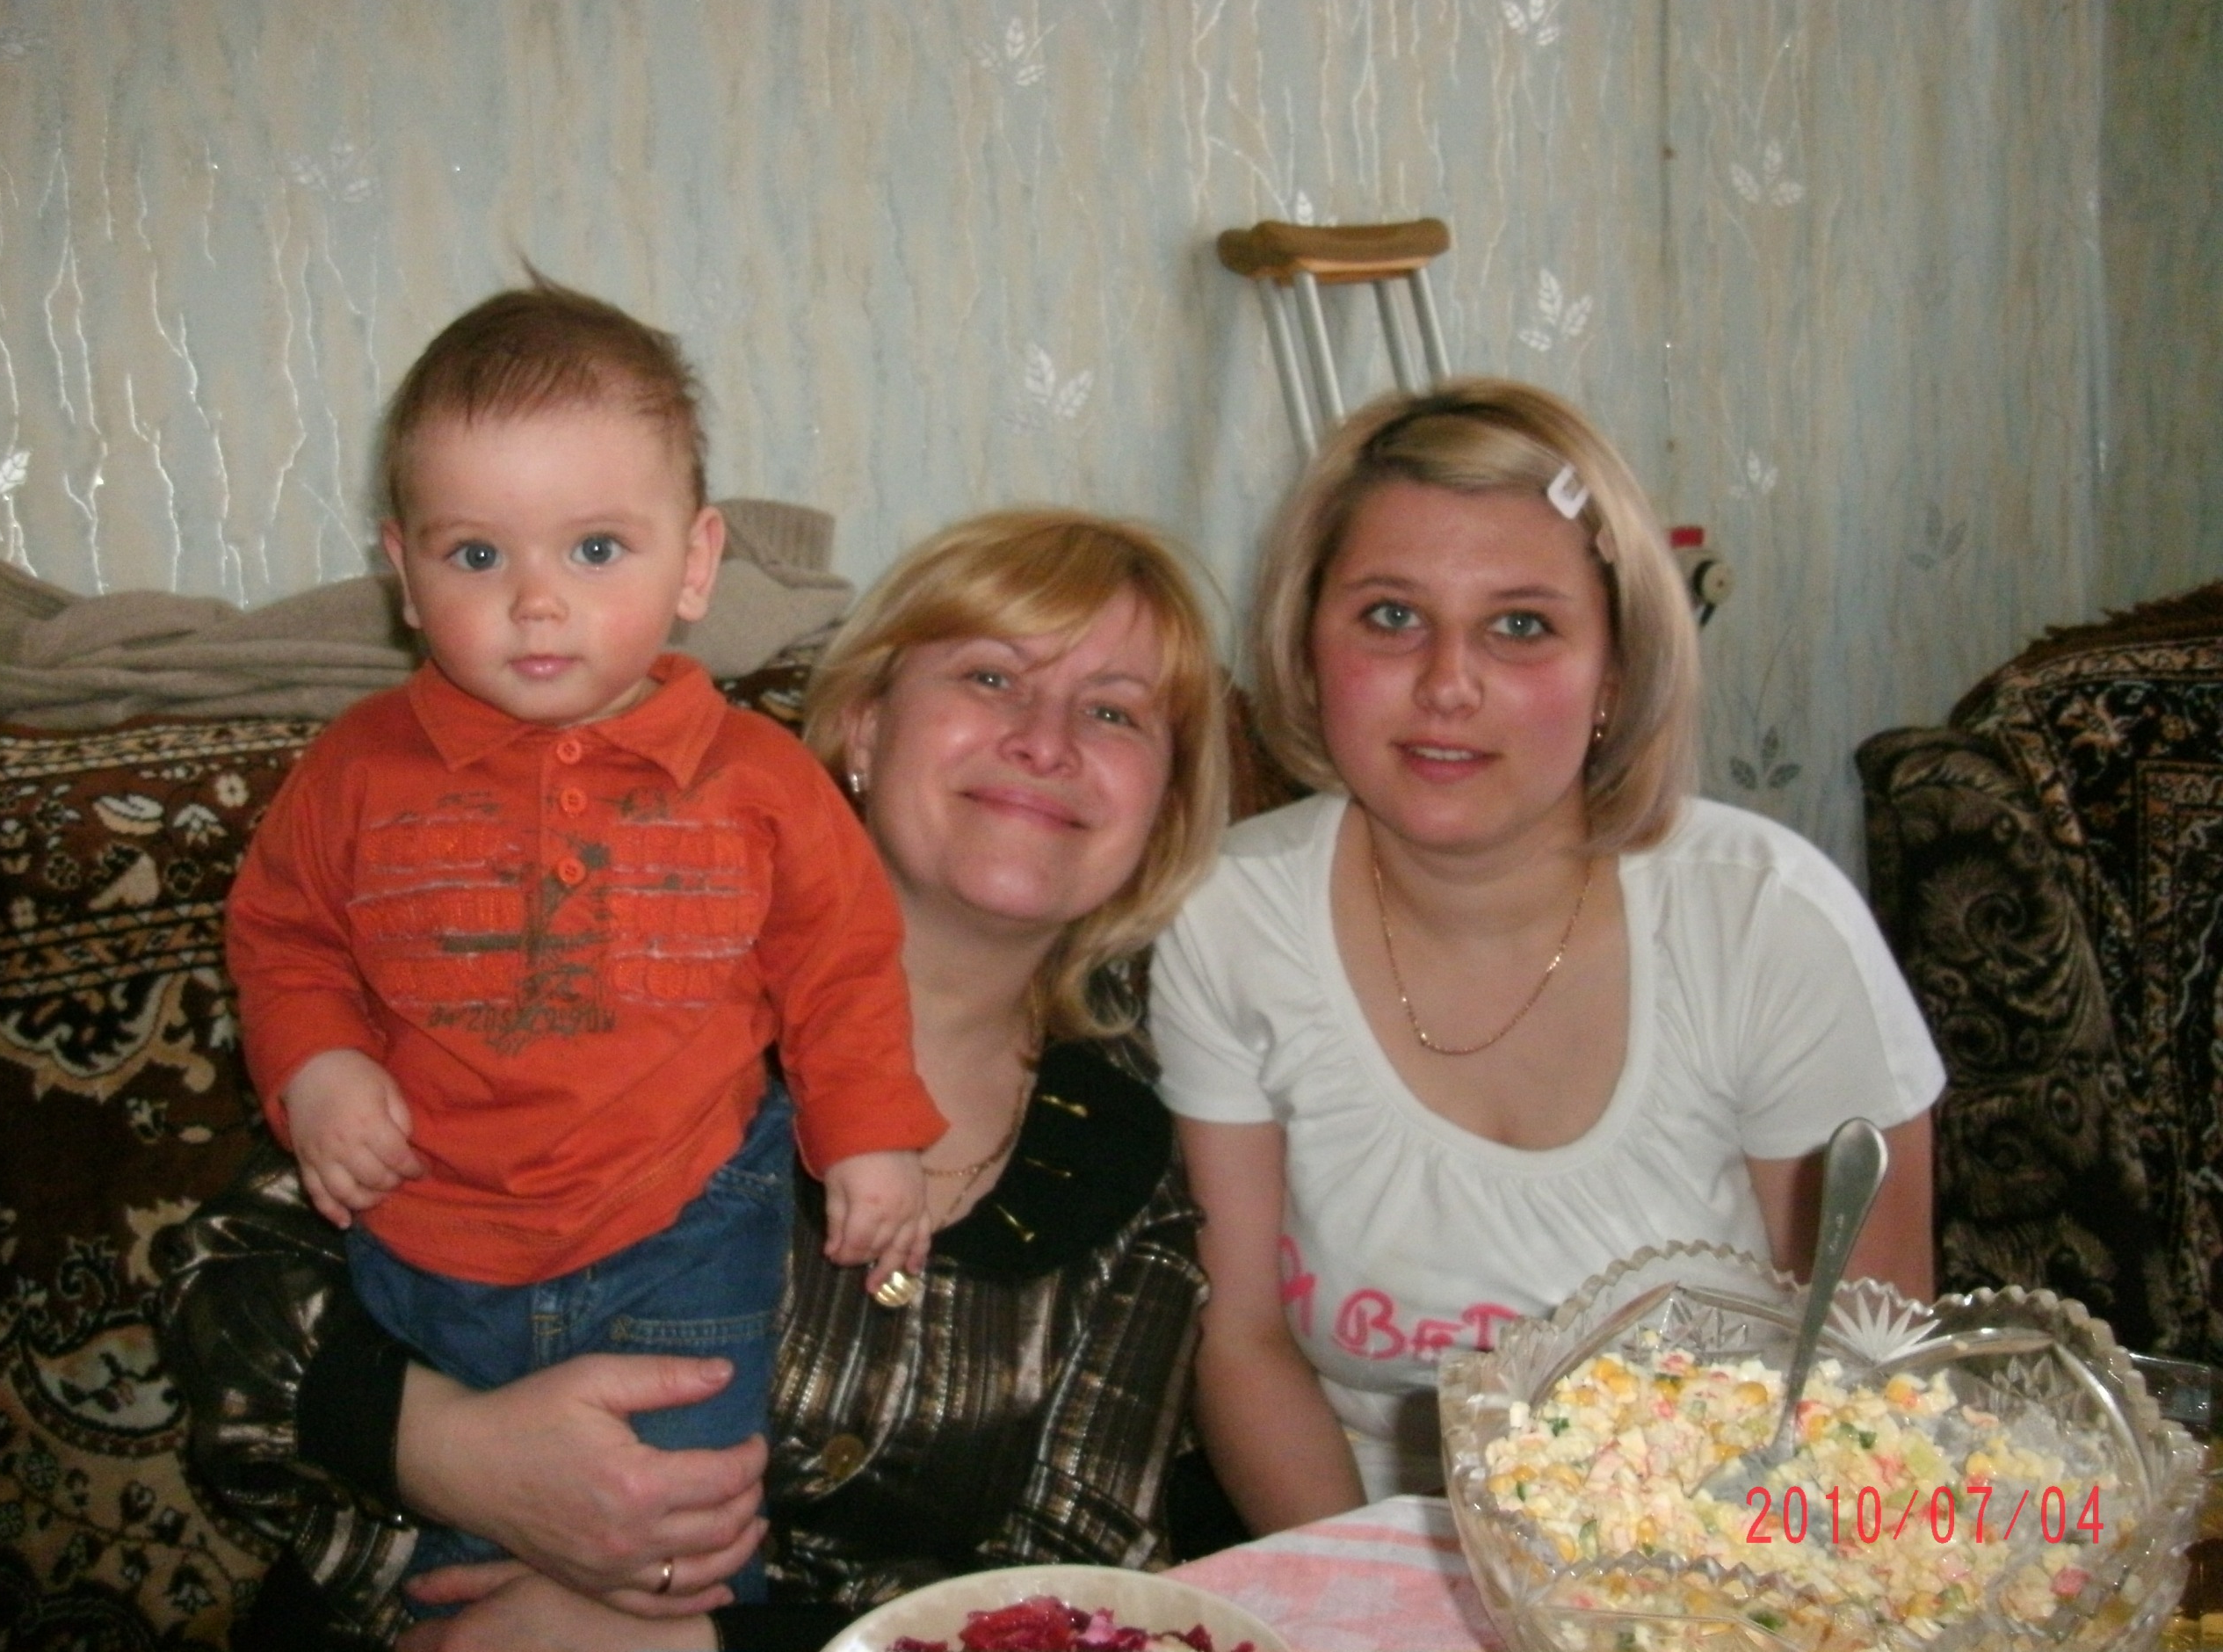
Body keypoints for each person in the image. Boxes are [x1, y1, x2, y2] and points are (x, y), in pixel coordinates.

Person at [158, 507, 1233, 1649]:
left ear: (1164, 810)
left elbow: (1087, 1587)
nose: (1046, 741)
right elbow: (226, 1290)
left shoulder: (1135, 1141)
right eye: (992, 677)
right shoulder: (593, 951)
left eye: (1113, 711)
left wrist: (688, 1646)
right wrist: (449, 1453)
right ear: (865, 727)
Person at [222, 278, 946, 1605]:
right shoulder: (357, 770)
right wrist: (316, 1065)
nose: (537, 604)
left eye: (596, 549)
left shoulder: (759, 779)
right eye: (477, 557)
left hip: (682, 1234)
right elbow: (282, 937)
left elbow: (840, 968)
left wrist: (869, 1135)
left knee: (681, 1545)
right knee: (466, 1577)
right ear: (401, 570)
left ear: (698, 563)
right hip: (426, 1242)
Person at [1148, 379, 1943, 1532]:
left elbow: (1873, 1383)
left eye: (1520, 626)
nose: (1447, 684)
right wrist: (1353, 1602)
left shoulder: (1767, 922)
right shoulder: (1228, 916)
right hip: (1364, 1546)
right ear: (1307, 646)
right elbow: (1243, 1343)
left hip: (1725, 1550)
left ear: (1614, 672)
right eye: (1390, 616)